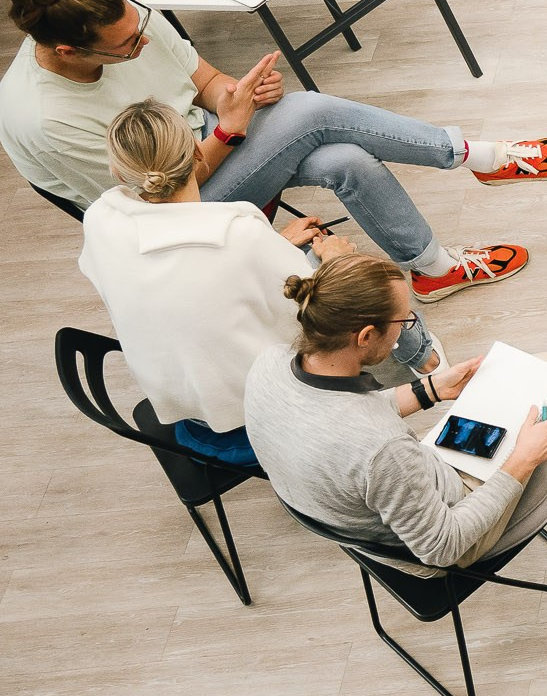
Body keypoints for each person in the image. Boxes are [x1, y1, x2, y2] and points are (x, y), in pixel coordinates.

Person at [3, 0, 547, 302]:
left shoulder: (130, 23)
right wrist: (231, 127)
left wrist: (236, 94)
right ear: (69, 51)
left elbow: (200, 79)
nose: (143, 43)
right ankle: (478, 156)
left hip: (210, 143)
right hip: (179, 212)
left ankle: (432, 269)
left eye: (140, 26)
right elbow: (162, 197)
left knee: (346, 158)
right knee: (311, 113)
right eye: (127, 45)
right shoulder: (46, 119)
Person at [242, 254, 547, 572]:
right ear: (364, 336)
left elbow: (348, 415)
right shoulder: (380, 452)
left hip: (400, 492)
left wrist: (431, 389)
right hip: (451, 520)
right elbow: (442, 547)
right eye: (403, 321)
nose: (408, 327)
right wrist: (521, 462)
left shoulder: (271, 366)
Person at [76, 100, 442, 468]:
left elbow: (180, 280)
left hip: (190, 415)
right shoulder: (238, 231)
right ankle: (426, 359)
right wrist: (335, 260)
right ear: (197, 155)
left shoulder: (99, 219)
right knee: (368, 284)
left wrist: (274, 247)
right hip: (268, 418)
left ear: (118, 172)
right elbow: (314, 310)